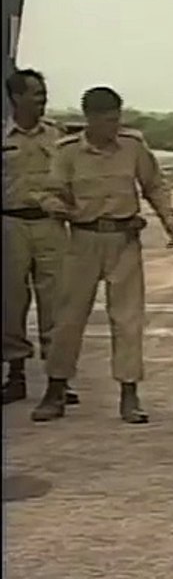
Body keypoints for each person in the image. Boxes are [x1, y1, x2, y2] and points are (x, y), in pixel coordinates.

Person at [30, 87, 173, 423]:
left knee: (128, 320)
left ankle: (130, 394)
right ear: (91, 119)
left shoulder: (132, 147)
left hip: (124, 240)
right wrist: (59, 209)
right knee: (67, 319)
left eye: (118, 118)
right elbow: (49, 192)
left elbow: (154, 183)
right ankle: (56, 389)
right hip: (82, 240)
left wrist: (168, 217)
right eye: (108, 120)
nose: (115, 126)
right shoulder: (67, 152)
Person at [1, 69, 78, 406]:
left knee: (57, 304)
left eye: (44, 94)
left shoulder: (57, 136)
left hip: (50, 226)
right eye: (35, 94)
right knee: (10, 303)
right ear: (16, 97)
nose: (42, 100)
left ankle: (57, 380)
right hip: (11, 225)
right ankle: (15, 374)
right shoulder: (3, 135)